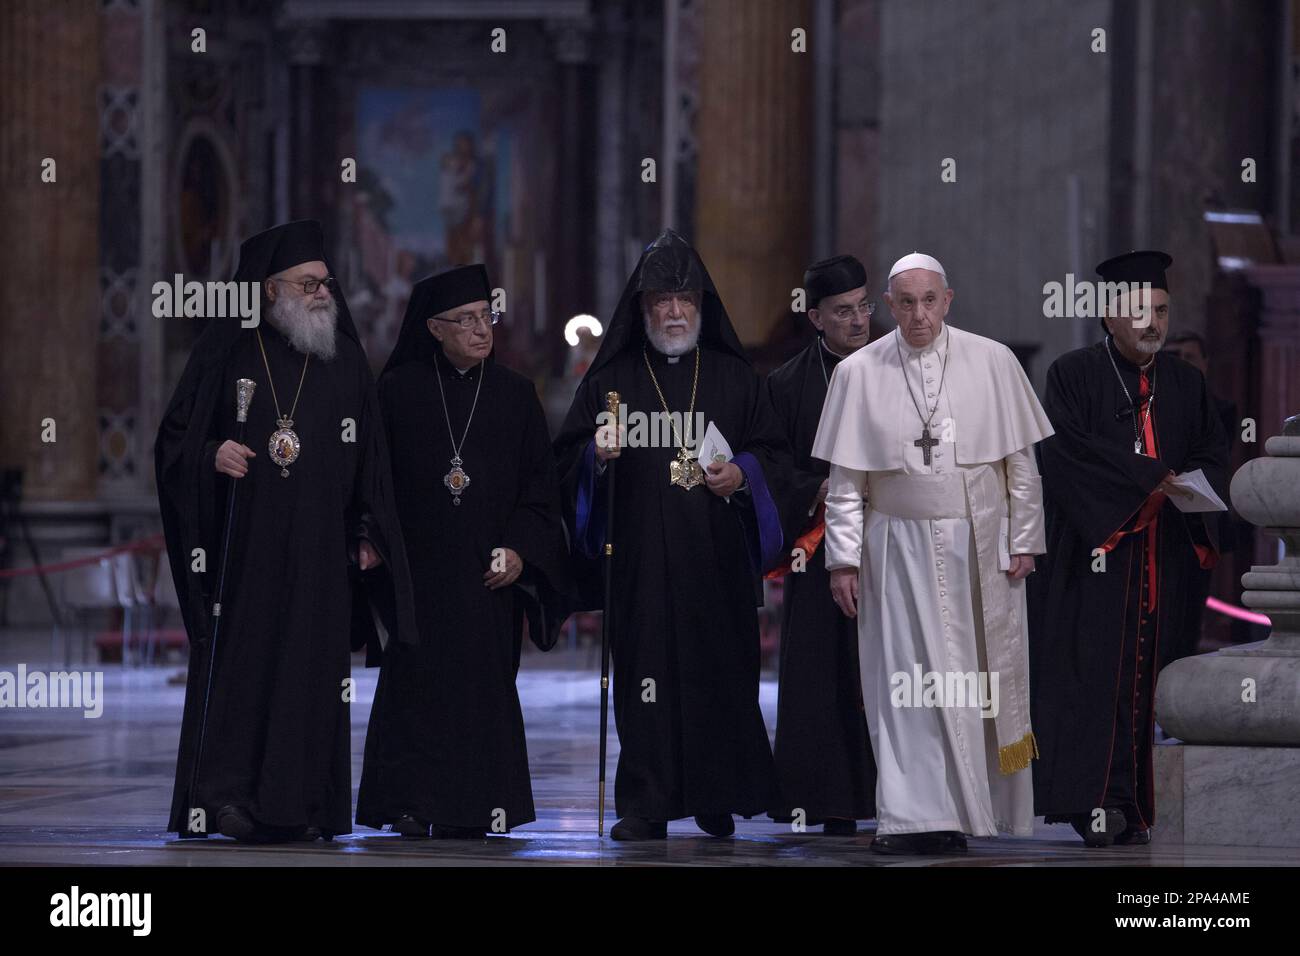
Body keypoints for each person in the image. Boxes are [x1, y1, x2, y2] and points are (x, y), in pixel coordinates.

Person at [155, 219, 417, 843]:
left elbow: (372, 464)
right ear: (268, 291)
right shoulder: (228, 353)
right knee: (246, 669)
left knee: (311, 675)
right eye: (308, 284)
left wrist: (367, 533)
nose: (323, 294)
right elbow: (174, 443)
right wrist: (212, 453)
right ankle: (228, 801)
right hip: (243, 555)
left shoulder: (346, 360)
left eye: (326, 283)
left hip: (323, 556)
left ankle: (301, 804)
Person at [813, 252, 1053, 855]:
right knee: (904, 686)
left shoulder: (993, 361)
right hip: (894, 550)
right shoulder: (858, 373)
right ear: (888, 307)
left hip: (977, 547)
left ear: (948, 300)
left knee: (971, 687)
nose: (918, 315)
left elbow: (1021, 465)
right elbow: (846, 484)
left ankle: (971, 810)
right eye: (905, 303)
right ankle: (911, 815)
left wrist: (1025, 537)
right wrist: (842, 560)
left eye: (929, 301)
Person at [554, 229, 786, 841]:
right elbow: (566, 456)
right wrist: (595, 458)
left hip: (715, 561)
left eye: (686, 299)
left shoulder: (736, 377)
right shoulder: (615, 377)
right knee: (644, 679)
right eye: (662, 300)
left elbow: (772, 453)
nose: (675, 311)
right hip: (641, 563)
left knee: (721, 675)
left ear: (703, 306)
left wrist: (742, 473)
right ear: (643, 307)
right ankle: (647, 802)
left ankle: (719, 795)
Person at [356, 265, 571, 839]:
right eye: (467, 320)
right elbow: (373, 483)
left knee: (483, 693)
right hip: (418, 580)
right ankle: (410, 804)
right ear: (433, 327)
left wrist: (522, 553)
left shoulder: (516, 395)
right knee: (415, 692)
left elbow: (540, 492)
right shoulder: (397, 392)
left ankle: (483, 806)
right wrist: (374, 542)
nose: (482, 330)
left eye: (487, 317)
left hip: (487, 579)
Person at [1030, 250, 1229, 847]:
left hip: (1160, 557)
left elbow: (1212, 455)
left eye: (1162, 311)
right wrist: (1145, 482)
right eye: (1140, 311)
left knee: (1150, 677)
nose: (1154, 324)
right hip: (1096, 553)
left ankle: (1138, 804)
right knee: (1091, 676)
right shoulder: (1073, 374)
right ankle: (1095, 804)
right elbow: (1062, 454)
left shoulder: (1186, 382)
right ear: (1108, 316)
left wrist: (1185, 484)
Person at [765, 255, 877, 835]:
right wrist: (819, 489)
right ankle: (826, 797)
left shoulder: (904, 367)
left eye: (864, 307)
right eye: (843, 312)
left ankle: (895, 798)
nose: (858, 321)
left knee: (889, 670)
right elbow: (772, 467)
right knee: (822, 671)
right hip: (818, 550)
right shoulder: (786, 385)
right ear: (815, 318)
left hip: (894, 544)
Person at [1162, 329, 1239, 660]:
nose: (1182, 365)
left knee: (1188, 613)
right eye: (1173, 357)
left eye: (1190, 357)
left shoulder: (1218, 410)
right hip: (1155, 519)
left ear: (1205, 363)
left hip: (1197, 522)